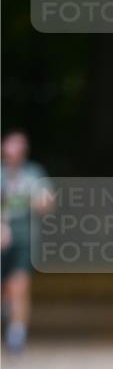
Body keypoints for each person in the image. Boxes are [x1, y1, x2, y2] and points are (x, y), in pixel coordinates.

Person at [1, 130, 52, 352]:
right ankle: (7, 310)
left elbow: (48, 203)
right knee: (6, 289)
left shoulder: (34, 173)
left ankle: (16, 334)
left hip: (25, 239)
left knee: (19, 285)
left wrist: (40, 202)